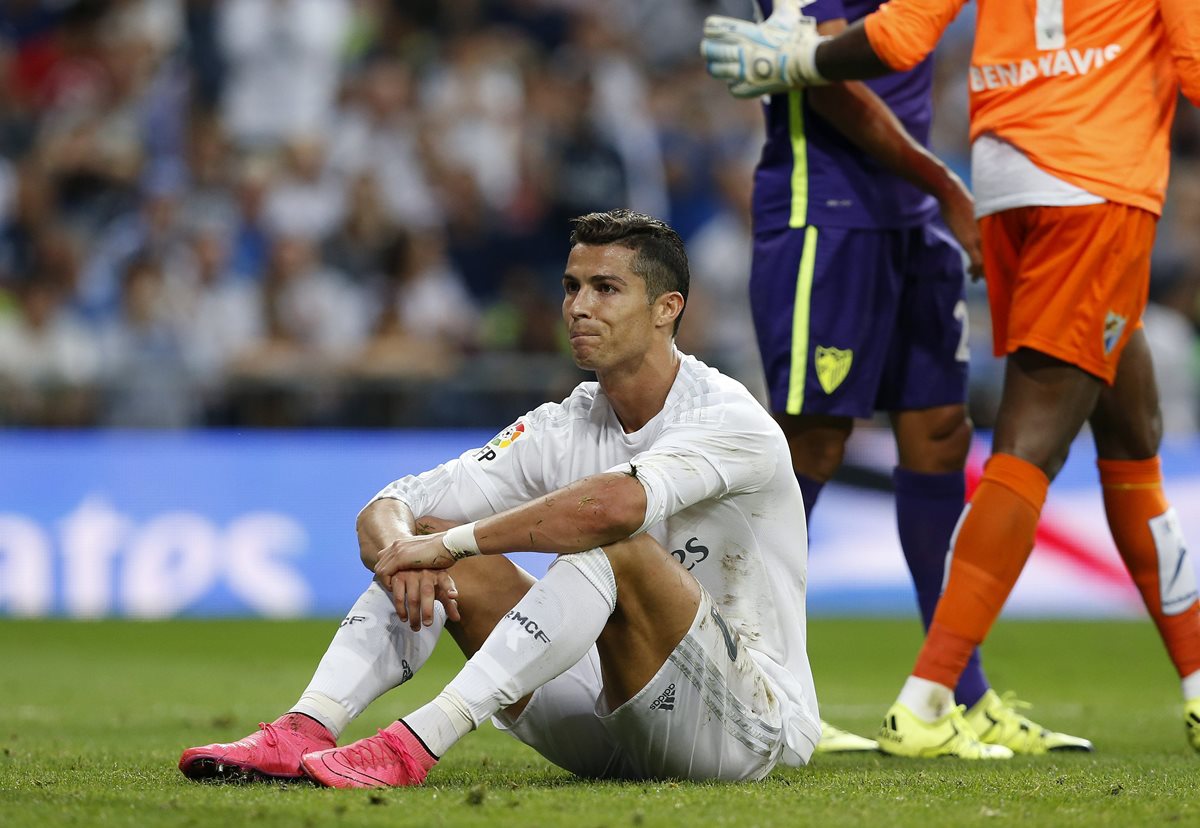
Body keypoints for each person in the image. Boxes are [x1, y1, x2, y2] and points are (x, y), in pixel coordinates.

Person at [702, 0, 1200, 758]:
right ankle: (772, 685)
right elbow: (812, 67)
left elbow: (899, 36)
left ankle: (976, 693)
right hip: (844, 212)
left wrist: (944, 185)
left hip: (956, 200)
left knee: (958, 435)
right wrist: (941, 176)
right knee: (824, 441)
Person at [178, 209, 821, 786]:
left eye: (606, 289)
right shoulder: (564, 423)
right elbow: (393, 501)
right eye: (571, 287)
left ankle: (415, 743)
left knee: (612, 548)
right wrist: (409, 547)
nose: (578, 307)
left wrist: (448, 542)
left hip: (746, 725)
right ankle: (306, 727)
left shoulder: (727, 416)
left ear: (666, 308)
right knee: (429, 541)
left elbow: (613, 509)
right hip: (610, 718)